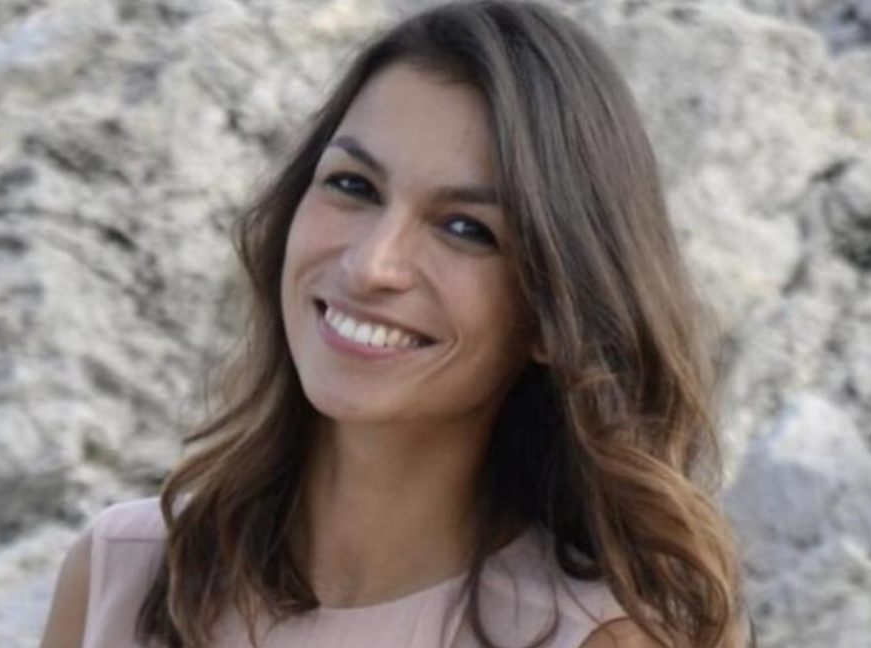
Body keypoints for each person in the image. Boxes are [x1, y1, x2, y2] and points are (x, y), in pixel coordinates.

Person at [40, 1, 751, 647]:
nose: (371, 265)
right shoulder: (121, 575)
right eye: (353, 186)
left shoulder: (601, 637)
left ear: (551, 315)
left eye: (465, 228)